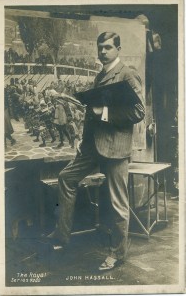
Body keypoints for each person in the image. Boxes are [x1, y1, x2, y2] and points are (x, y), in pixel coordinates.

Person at [44, 32, 145, 271]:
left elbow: (139, 112)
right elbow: (92, 111)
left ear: (118, 49)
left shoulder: (128, 74)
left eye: (108, 47)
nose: (103, 52)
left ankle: (118, 254)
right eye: (100, 47)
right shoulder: (100, 75)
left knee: (118, 204)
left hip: (116, 148)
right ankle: (62, 235)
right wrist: (81, 137)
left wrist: (106, 113)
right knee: (66, 178)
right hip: (93, 145)